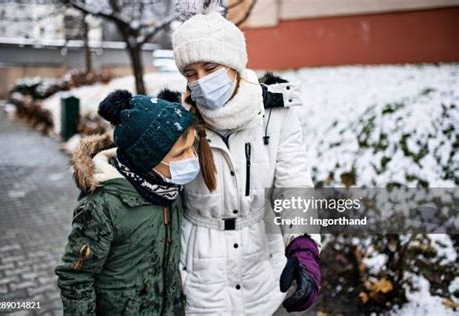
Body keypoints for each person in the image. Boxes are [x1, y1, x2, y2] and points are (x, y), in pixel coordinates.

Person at [169, 1, 323, 314]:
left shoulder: (274, 115)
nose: (201, 81)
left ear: (234, 64)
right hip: (200, 270)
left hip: (262, 266)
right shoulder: (177, 121)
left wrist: (304, 246)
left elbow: (293, 184)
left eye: (210, 69)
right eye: (190, 73)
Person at [55, 90, 197, 315]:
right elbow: (76, 277)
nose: (192, 158)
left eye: (192, 147)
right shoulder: (103, 206)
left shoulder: (169, 189)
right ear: (147, 158)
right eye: (181, 154)